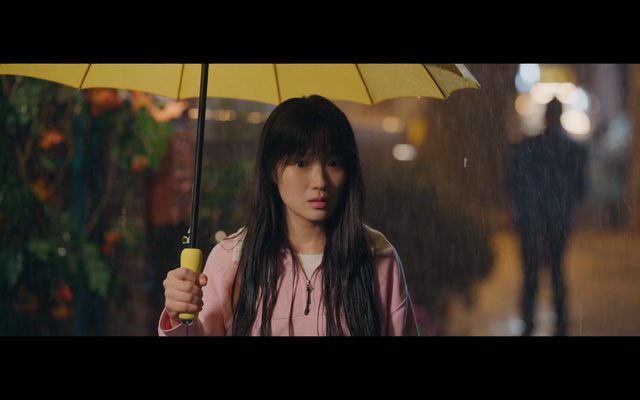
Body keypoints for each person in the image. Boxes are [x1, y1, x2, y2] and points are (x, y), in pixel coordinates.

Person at [158, 95, 418, 336]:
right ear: (272, 170)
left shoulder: (377, 257)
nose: (320, 181)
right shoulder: (234, 259)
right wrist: (179, 316)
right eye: (302, 163)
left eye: (333, 163)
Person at [510, 97, 586, 336]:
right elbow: (580, 187)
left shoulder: (527, 147)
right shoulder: (573, 150)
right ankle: (561, 325)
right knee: (556, 272)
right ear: (560, 116)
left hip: (530, 217)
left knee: (530, 274)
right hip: (558, 218)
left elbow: (513, 182)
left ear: (544, 116)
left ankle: (528, 323)